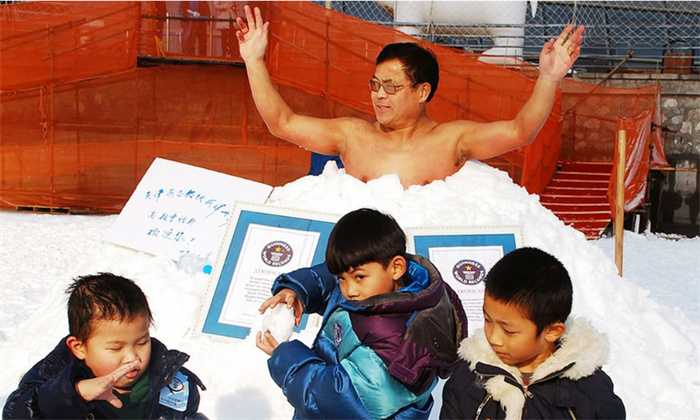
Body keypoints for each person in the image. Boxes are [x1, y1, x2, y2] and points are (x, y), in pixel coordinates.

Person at [235, 5, 584, 188]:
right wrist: (254, 61)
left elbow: (520, 131)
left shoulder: (452, 140)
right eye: (375, 85)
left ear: (422, 91)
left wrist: (549, 77)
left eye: (391, 87)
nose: (379, 96)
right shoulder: (352, 135)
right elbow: (282, 123)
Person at [256, 208, 468, 419]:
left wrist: (286, 358)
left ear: (396, 267)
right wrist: (298, 290)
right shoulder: (375, 286)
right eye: (342, 278)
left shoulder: (399, 346)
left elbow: (337, 399)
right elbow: (328, 277)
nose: (349, 290)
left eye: (359, 277)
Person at [440, 247, 625, 419]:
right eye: (488, 320)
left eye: (508, 331)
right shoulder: (467, 379)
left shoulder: (589, 392)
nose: (494, 338)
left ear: (552, 331)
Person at [2, 273, 206, 419]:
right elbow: (15, 412)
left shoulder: (174, 383)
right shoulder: (54, 374)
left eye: (142, 342)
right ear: (79, 347)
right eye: (116, 348)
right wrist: (75, 394)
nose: (132, 358)